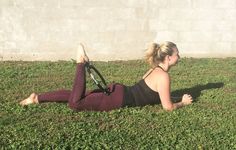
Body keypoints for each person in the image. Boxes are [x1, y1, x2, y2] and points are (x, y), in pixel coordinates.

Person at [20, 42, 193, 111]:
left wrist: (175, 96)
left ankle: (37, 98)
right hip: (118, 99)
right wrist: (182, 102)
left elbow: (153, 95)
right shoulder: (163, 77)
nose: (180, 56)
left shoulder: (155, 69)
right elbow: (168, 107)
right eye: (177, 54)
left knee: (80, 95)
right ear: (169, 58)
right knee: (75, 103)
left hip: (119, 91)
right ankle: (80, 62)